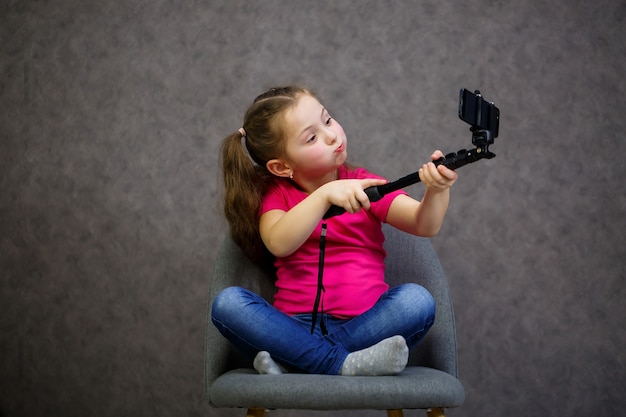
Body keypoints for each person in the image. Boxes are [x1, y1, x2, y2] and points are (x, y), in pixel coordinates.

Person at [212, 86, 458, 376]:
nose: (332, 135)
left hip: (365, 327)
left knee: (417, 301)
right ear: (281, 166)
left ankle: (297, 360)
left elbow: (423, 223)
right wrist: (326, 194)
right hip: (291, 328)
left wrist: (437, 190)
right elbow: (279, 242)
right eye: (312, 137)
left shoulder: (364, 184)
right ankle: (343, 364)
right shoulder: (276, 195)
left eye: (327, 120)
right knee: (228, 303)